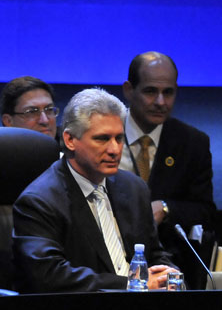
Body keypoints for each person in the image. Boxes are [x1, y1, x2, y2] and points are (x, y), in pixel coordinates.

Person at [12, 88, 177, 293]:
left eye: (119, 138)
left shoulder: (134, 189)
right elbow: (49, 275)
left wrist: (168, 276)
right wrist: (130, 285)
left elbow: (154, 253)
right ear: (70, 140)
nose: (114, 149)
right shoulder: (39, 201)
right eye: (102, 139)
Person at [120, 51, 216, 289]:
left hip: (168, 262)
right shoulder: (105, 136)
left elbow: (205, 210)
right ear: (129, 90)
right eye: (151, 91)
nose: (161, 102)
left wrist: (166, 208)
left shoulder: (193, 142)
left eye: (168, 92)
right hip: (110, 258)